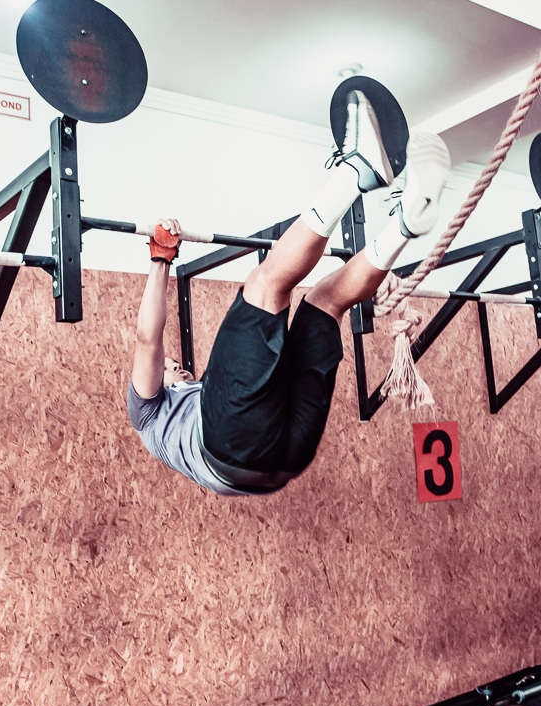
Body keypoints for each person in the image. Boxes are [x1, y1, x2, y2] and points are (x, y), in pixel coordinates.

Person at [127, 86, 451, 496]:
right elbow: (147, 339)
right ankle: (357, 172)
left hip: (286, 461)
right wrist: (160, 259)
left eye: (176, 364)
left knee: (325, 302)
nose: (176, 366)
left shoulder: (199, 399)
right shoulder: (148, 414)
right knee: (266, 286)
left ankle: (403, 226)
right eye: (170, 367)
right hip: (230, 444)